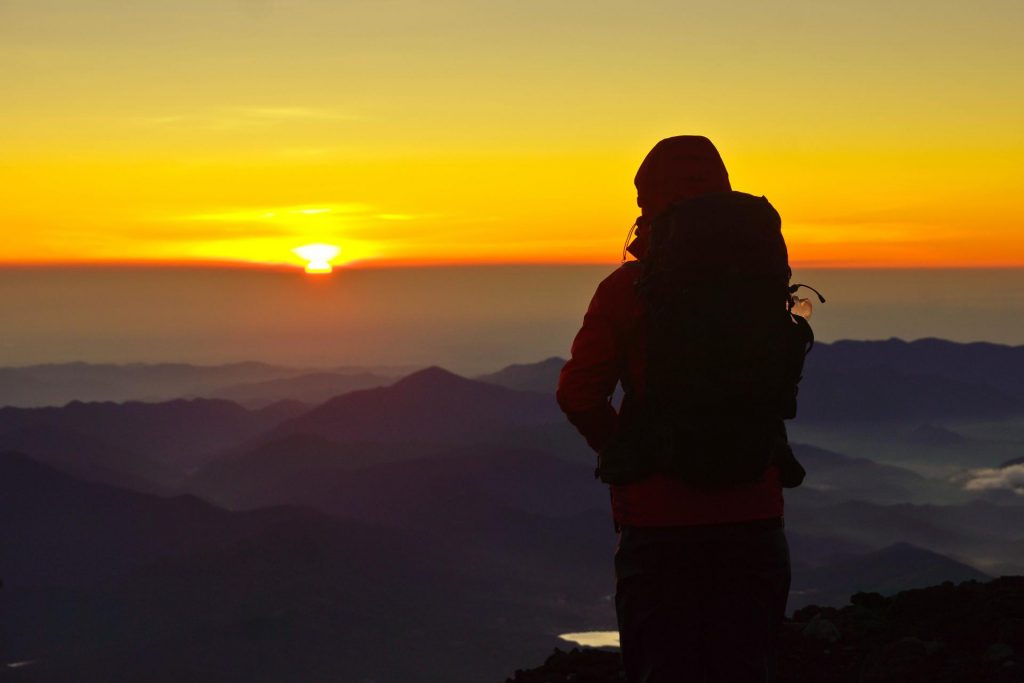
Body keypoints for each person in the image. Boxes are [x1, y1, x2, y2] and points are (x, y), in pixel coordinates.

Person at [556, 136, 791, 682]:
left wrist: (628, 451)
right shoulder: (758, 286)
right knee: (746, 667)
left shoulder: (625, 290)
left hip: (658, 521)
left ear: (649, 205)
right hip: (755, 510)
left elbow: (579, 394)